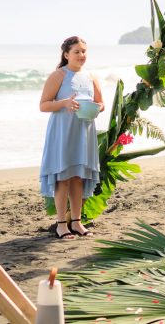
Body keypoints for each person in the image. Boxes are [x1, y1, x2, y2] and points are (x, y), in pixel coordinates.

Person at [39, 36, 104, 240]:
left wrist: (96, 108)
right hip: (62, 132)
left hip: (84, 131)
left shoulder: (91, 76)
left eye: (84, 51)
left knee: (78, 177)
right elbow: (43, 105)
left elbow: (101, 103)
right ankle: (61, 224)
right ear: (66, 54)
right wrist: (64, 103)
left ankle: (76, 221)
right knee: (63, 177)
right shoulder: (59, 75)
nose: (81, 55)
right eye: (77, 52)